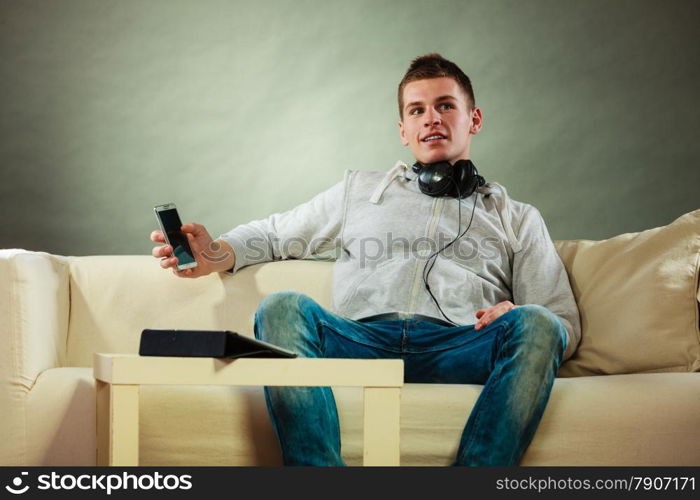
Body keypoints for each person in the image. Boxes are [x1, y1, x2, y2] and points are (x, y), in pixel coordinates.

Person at [150, 53, 581, 466]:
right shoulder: (359, 192)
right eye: (416, 110)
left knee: (537, 322)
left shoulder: (516, 216)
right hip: (362, 341)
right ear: (403, 130)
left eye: (445, 105)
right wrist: (213, 254)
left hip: (460, 345)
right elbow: (274, 233)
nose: (431, 118)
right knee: (281, 307)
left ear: (474, 119)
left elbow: (561, 322)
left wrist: (517, 312)